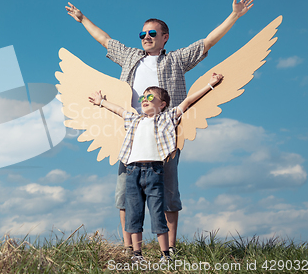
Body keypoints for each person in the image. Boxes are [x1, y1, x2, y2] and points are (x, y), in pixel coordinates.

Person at [65, 0, 253, 255]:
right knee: (125, 193)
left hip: (165, 135)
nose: (146, 37)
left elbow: (207, 42)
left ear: (165, 37)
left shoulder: (176, 60)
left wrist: (234, 16)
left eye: (152, 33)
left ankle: (170, 249)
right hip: (131, 133)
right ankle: (130, 249)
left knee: (168, 191)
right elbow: (105, 40)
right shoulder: (131, 57)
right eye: (142, 33)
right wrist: (82, 18)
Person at [88, 73, 224, 262]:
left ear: (162, 104)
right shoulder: (135, 120)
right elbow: (119, 110)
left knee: (157, 212)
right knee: (134, 212)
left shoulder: (167, 118)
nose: (145, 100)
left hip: (154, 171)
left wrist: (210, 85)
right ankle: (137, 254)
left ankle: (165, 254)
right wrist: (101, 102)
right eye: (143, 97)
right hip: (132, 170)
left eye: (150, 97)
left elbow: (187, 102)